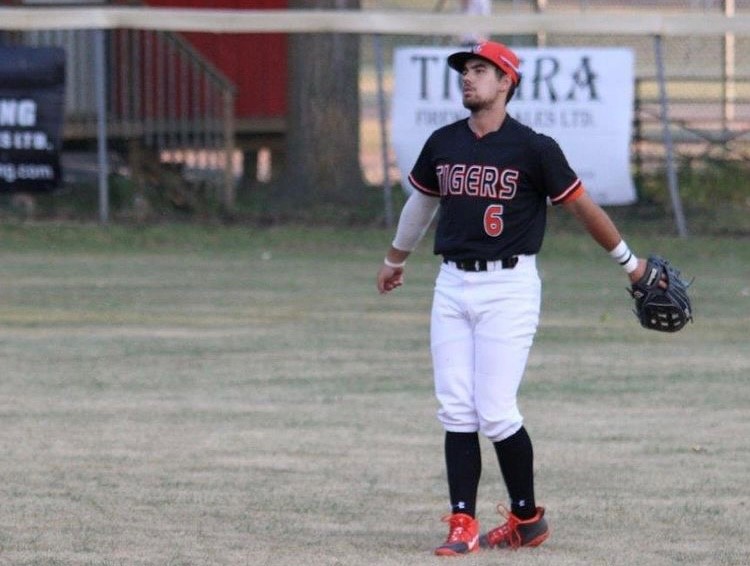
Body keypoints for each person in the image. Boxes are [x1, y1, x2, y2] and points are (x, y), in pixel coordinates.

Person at [376, 40, 648, 556]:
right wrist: (395, 259)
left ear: (506, 83)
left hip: (509, 286)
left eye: (481, 71)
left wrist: (630, 264)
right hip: (451, 283)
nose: (468, 78)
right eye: (465, 71)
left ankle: (527, 518)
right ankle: (463, 523)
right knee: (456, 409)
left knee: (496, 410)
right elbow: (422, 202)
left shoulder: (534, 148)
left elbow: (582, 209)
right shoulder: (444, 142)